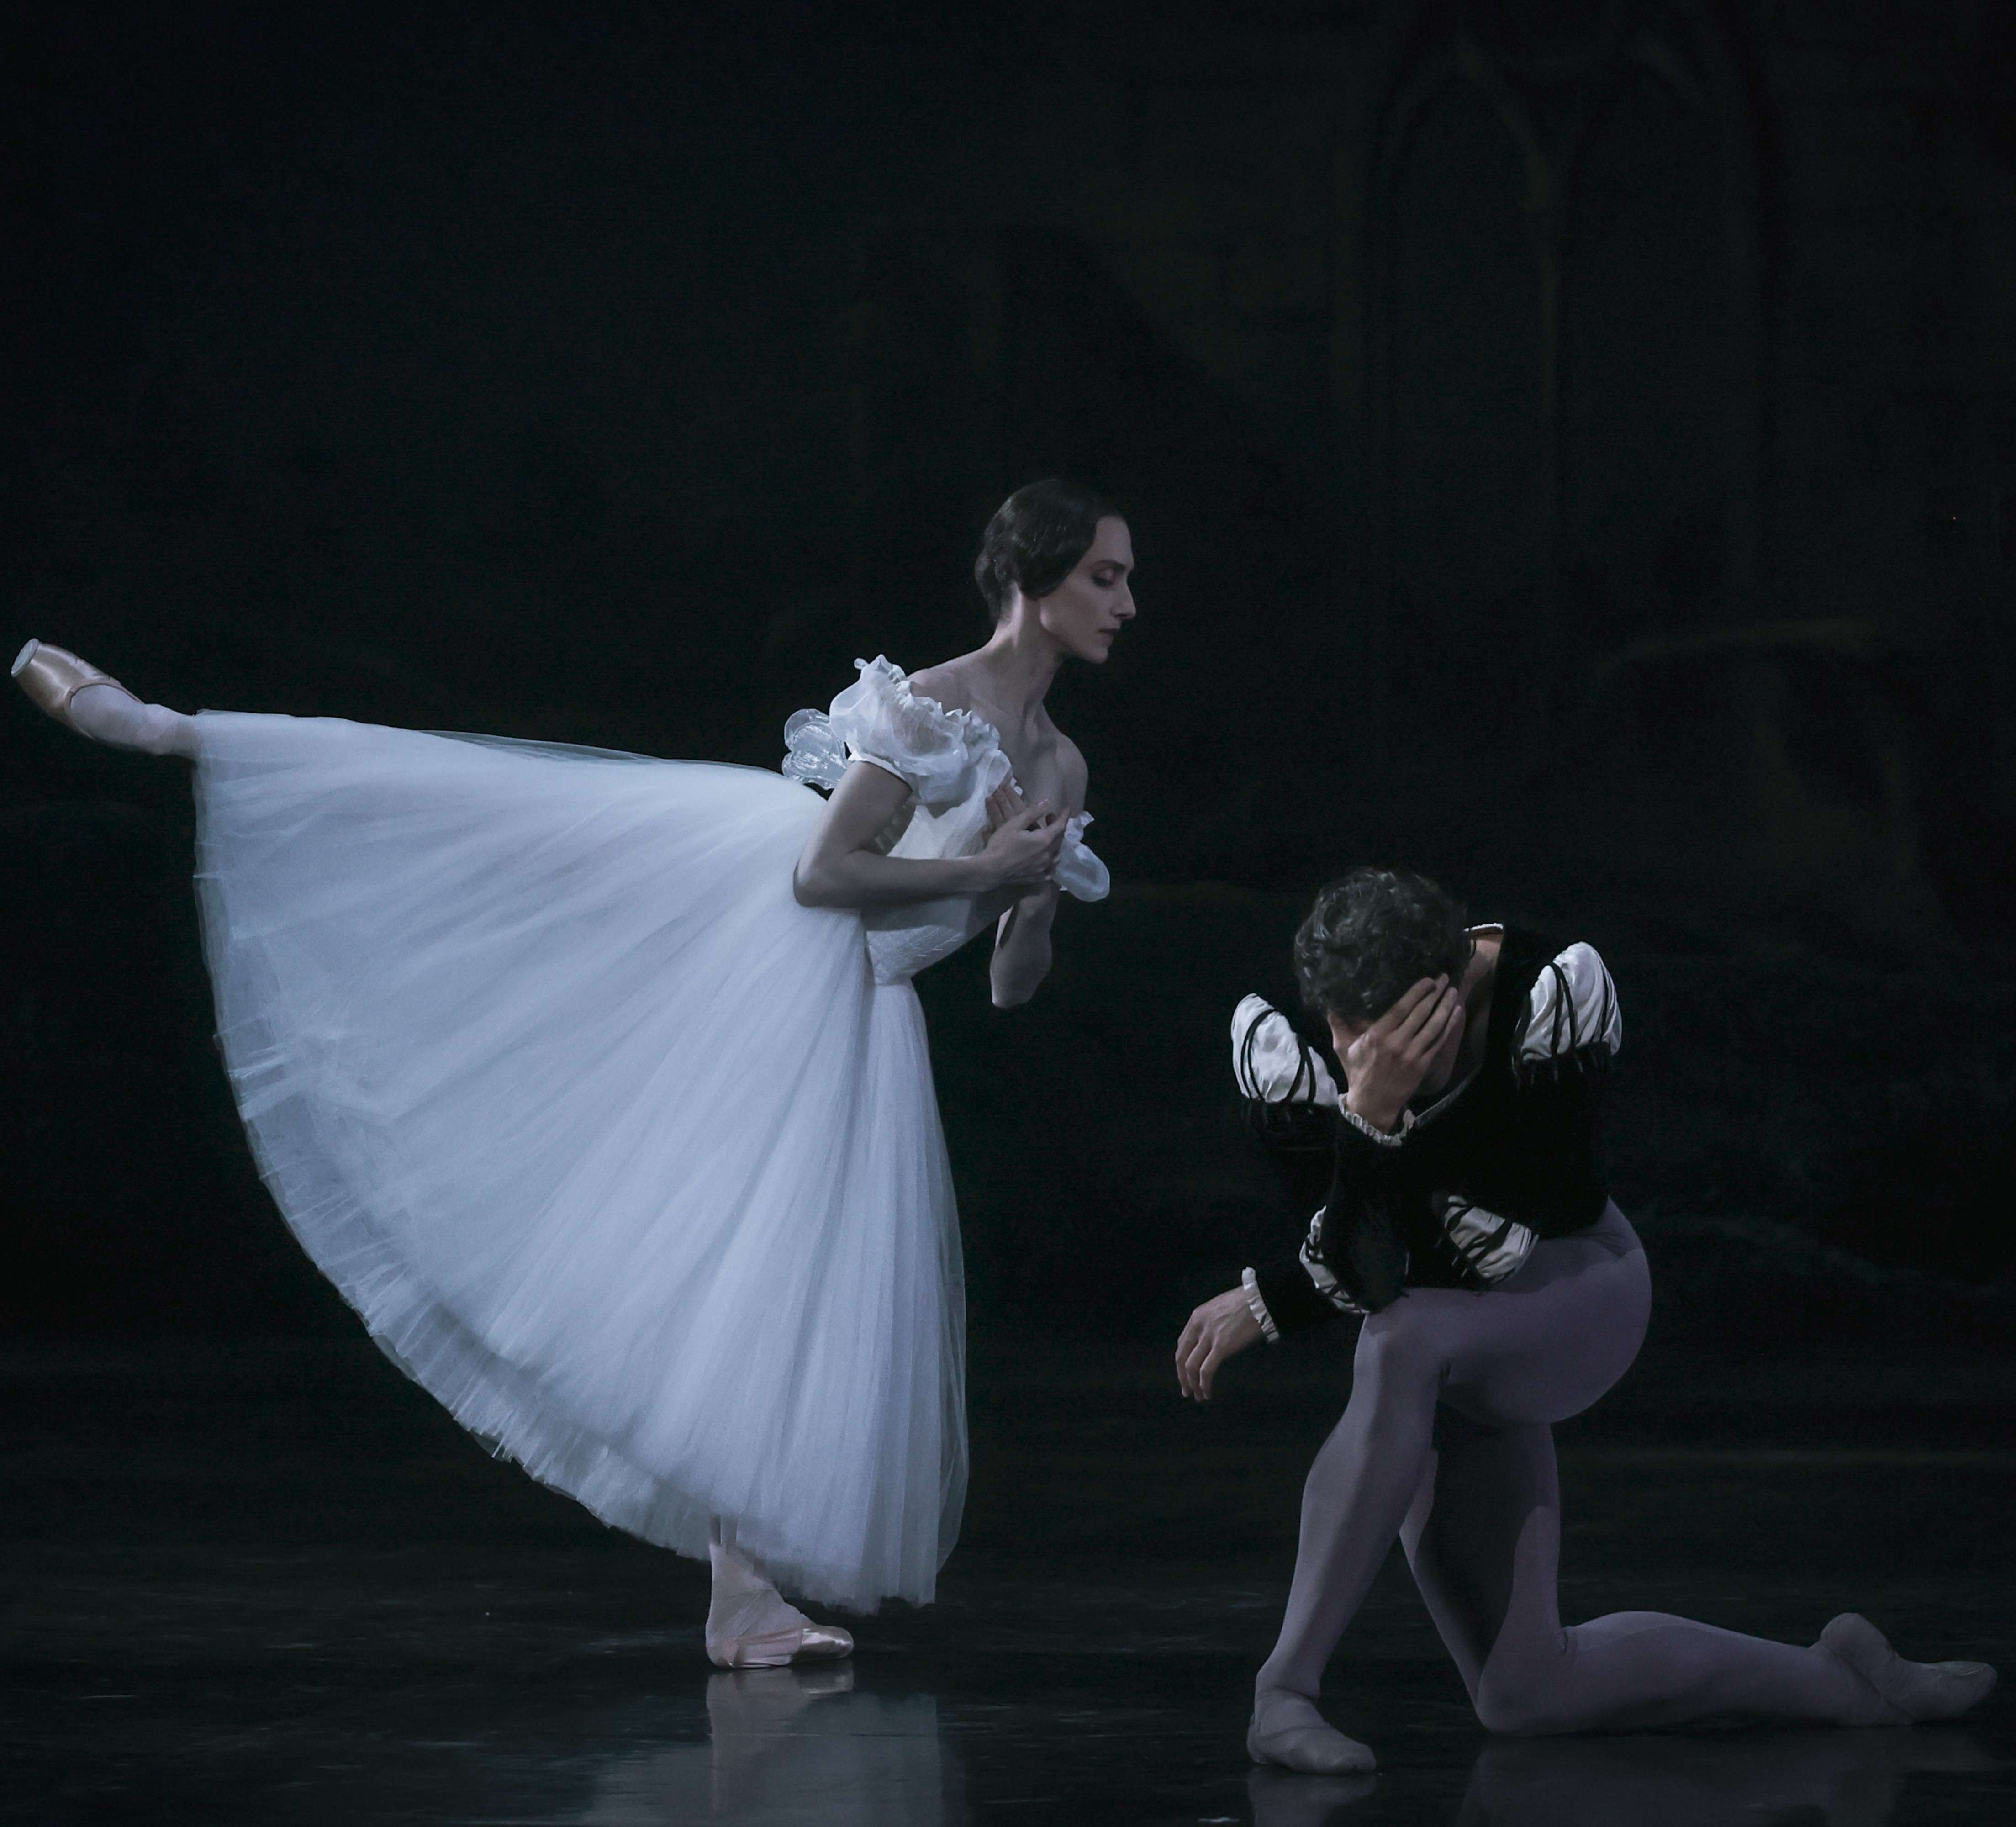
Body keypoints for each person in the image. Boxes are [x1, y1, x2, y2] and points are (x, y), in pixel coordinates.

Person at [15, 476, 1135, 1668]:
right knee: (493, 839)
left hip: (868, 1006)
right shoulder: (931, 706)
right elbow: (824, 872)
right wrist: (977, 873)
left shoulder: (1056, 766)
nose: (1125, 603)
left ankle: (741, 1596)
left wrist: (1030, 893)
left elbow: (1012, 988)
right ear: (1031, 584)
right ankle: (176, 733)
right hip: (772, 941)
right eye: (1104, 577)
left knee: (780, 1276)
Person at [1175, 866, 1996, 1773]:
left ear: (1440, 999)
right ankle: (1841, 1681)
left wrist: (1296, 1270)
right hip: (1447, 1345)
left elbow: (1511, 1231)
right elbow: (1372, 1268)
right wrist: (1357, 1135)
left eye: (1374, 1032)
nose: (1350, 1054)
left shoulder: (1542, 993)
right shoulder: (1307, 1053)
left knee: (1401, 1335)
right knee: (1525, 1692)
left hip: (1575, 1290)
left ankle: (1283, 1690)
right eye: (1336, 1027)